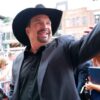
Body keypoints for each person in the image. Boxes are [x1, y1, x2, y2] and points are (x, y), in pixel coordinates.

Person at [4, 4, 100, 100]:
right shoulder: (18, 60)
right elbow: (14, 89)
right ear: (28, 30)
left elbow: (90, 42)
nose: (45, 26)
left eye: (48, 23)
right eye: (39, 22)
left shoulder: (64, 46)